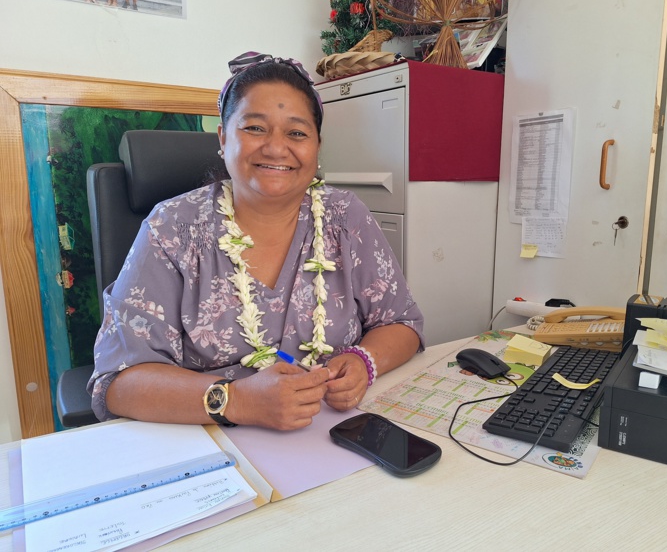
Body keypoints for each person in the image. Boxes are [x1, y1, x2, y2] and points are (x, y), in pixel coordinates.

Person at [88, 51, 424, 431]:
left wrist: (365, 360)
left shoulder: (344, 216)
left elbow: (402, 323)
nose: (277, 148)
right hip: (211, 442)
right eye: (255, 128)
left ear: (316, 146)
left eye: (297, 132)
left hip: (332, 433)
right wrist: (237, 400)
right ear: (222, 137)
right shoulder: (173, 228)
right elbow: (118, 383)